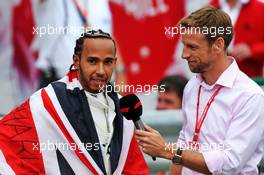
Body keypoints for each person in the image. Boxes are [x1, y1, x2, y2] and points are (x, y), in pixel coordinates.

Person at [135, 6, 264, 175]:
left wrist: (166, 150)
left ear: (218, 45)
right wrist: (172, 153)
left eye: (192, 47)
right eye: (183, 45)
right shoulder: (192, 86)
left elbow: (229, 164)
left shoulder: (250, 96)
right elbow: (184, 142)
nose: (184, 54)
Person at [0, 29, 149, 174]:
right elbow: (5, 141)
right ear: (76, 61)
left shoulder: (123, 109)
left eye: (108, 62)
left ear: (115, 63)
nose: (101, 71)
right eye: (92, 61)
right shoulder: (49, 101)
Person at [211, 0, 264, 77]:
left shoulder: (260, 8)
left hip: (249, 79)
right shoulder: (211, 7)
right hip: (215, 79)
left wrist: (251, 50)